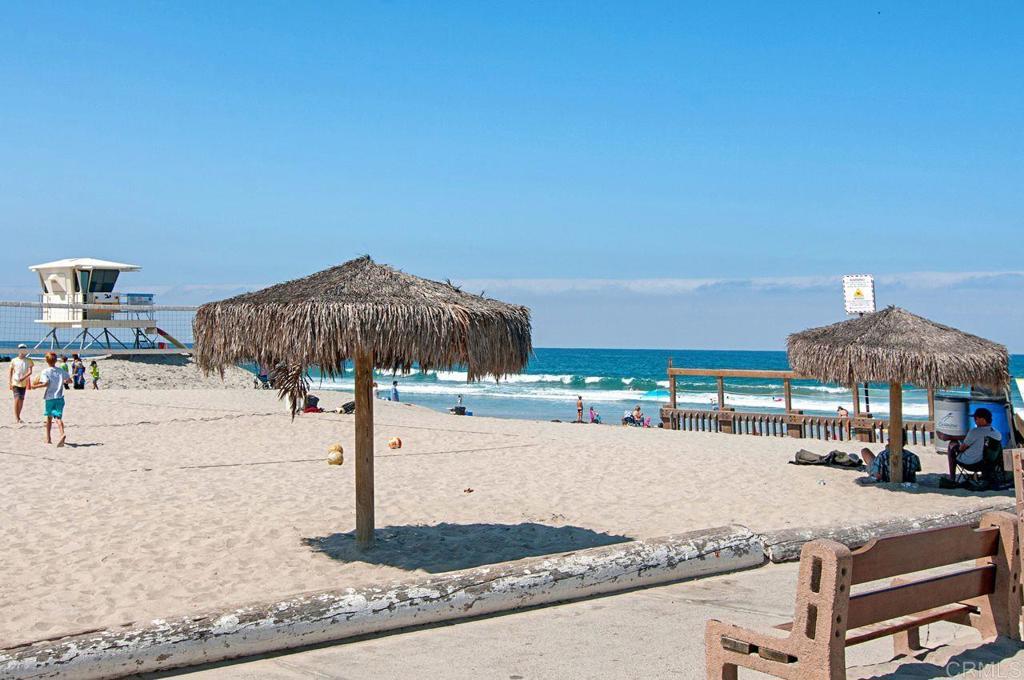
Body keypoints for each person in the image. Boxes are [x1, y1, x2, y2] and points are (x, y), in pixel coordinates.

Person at [946, 408, 1002, 482]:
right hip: (989, 464)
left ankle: (952, 478)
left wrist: (956, 446)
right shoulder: (997, 433)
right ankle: (985, 475)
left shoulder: (974, 432)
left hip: (973, 464)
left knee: (952, 445)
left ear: (982, 419)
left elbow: (961, 449)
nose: (975, 421)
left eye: (976, 418)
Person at [30, 352, 71, 446]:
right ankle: (62, 433)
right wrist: (63, 381)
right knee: (58, 417)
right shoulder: (60, 370)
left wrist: (35, 386)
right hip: (60, 397)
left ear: (46, 360)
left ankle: (48, 438)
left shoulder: (45, 371)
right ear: (56, 360)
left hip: (50, 398)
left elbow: (46, 383)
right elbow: (70, 381)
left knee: (49, 418)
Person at [8, 344, 33, 424]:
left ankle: (18, 416)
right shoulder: (14, 360)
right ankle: (17, 418)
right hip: (15, 382)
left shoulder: (29, 360)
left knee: (21, 400)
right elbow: (10, 371)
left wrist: (24, 377)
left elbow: (30, 372)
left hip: (24, 382)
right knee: (17, 399)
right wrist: (10, 382)